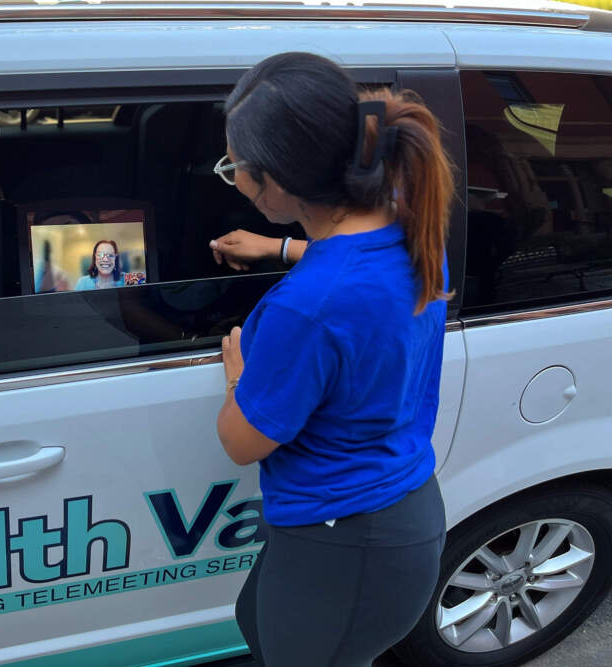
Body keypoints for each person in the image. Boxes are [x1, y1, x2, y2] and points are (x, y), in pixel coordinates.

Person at [213, 52, 453, 666]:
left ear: (276, 183)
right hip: (384, 510)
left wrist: (239, 377)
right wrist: (284, 246)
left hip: (349, 535)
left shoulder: (304, 311)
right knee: (257, 624)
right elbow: (356, 277)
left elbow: (244, 443)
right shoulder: (410, 224)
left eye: (235, 168)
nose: (234, 180)